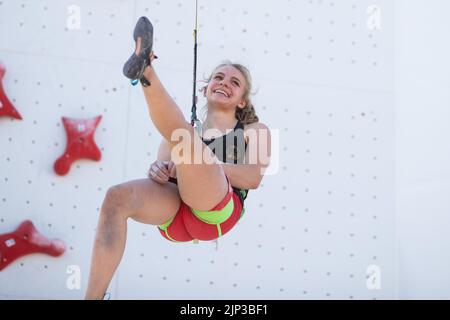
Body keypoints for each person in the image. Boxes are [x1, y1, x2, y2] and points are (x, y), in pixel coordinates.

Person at [85, 17, 271, 299]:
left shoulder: (255, 130)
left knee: (185, 139)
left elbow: (253, 178)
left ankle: (146, 70)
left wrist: (203, 162)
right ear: (205, 88)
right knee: (116, 198)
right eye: (218, 77)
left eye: (235, 82)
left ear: (242, 100)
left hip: (217, 213)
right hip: (172, 215)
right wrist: (159, 169)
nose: (224, 83)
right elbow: (163, 171)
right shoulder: (179, 132)